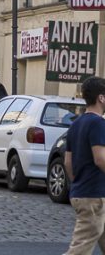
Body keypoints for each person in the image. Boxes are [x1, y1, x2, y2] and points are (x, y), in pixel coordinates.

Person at [62, 76, 105, 254]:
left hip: (84, 192)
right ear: (101, 98)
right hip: (94, 195)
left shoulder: (76, 123)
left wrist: (77, 183)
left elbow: (67, 162)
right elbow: (100, 159)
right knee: (80, 248)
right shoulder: (98, 123)